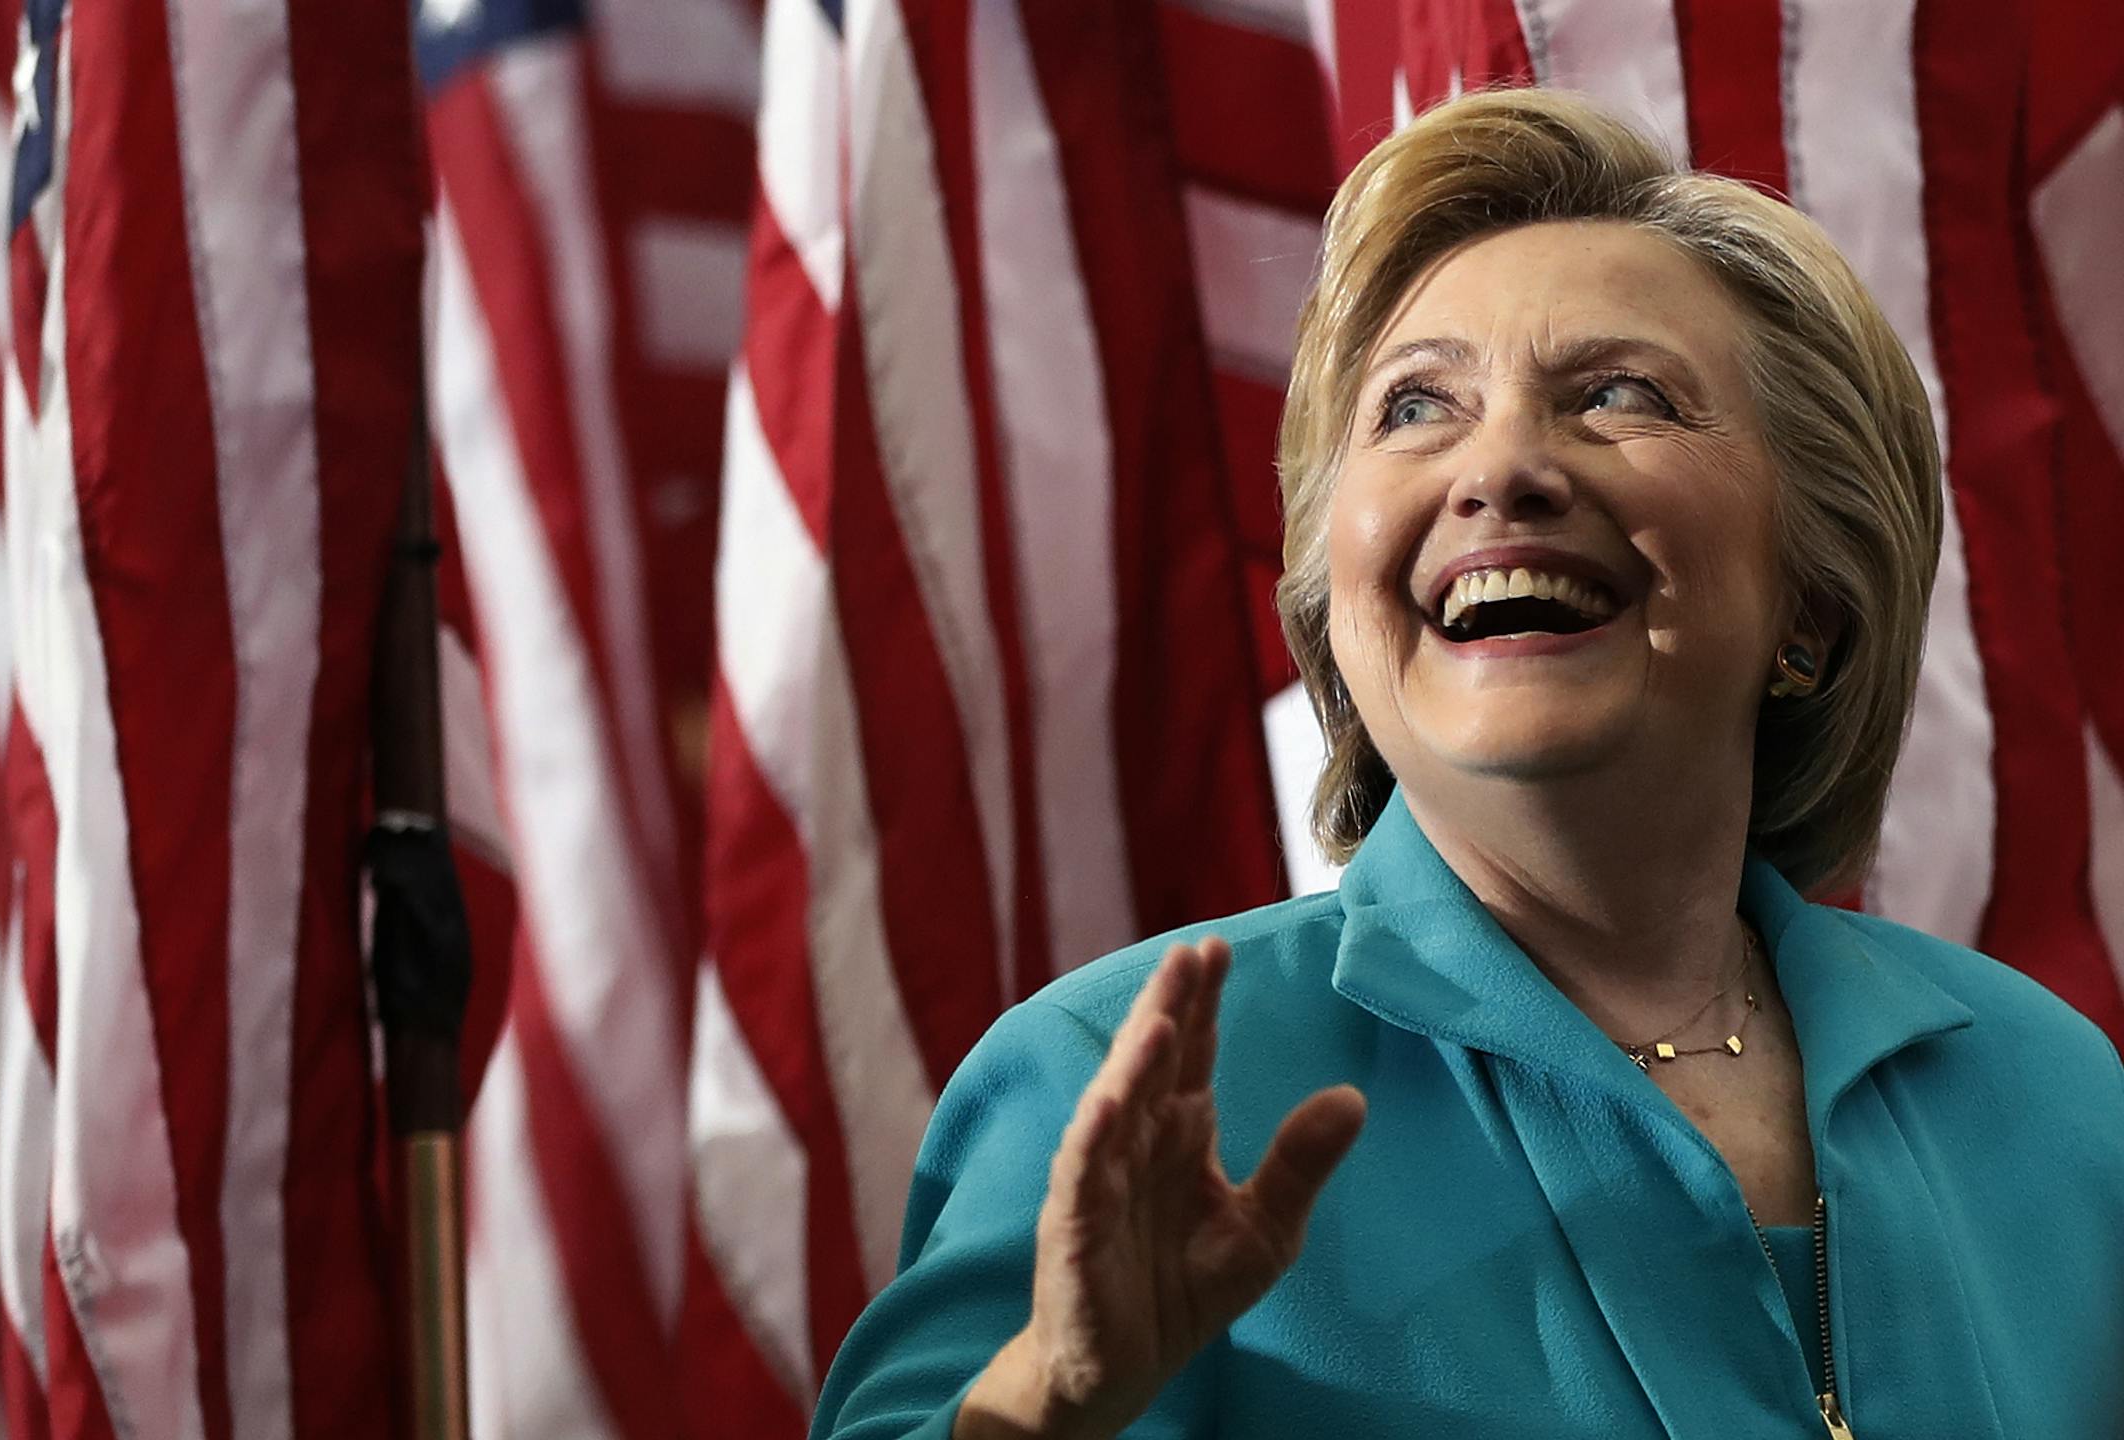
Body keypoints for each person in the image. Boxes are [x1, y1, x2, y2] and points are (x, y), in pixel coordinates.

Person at [808, 90, 2124, 1439]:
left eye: (1619, 395)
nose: (1500, 469)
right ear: (1343, 608)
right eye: (1418, 406)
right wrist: (1044, 1404)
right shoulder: (1127, 1085)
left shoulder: (2053, 1094)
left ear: (1813, 605)